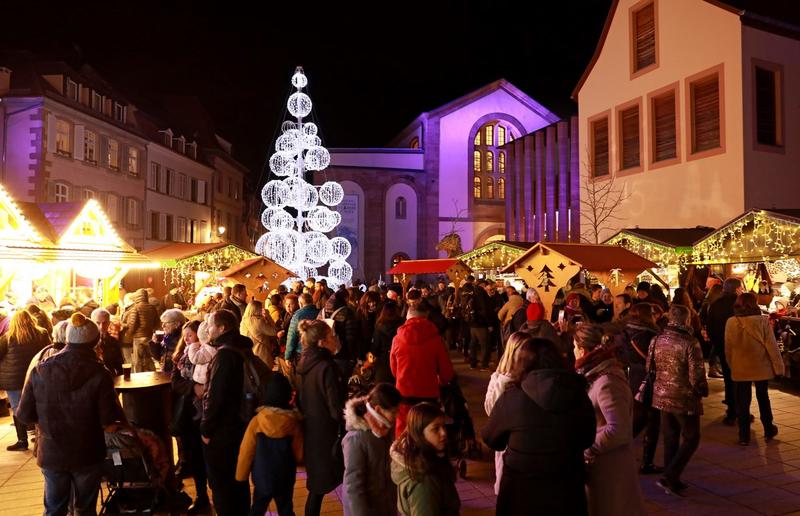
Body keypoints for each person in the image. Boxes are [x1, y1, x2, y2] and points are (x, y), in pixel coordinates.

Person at [17, 313, 122, 514]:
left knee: (54, 509)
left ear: (67, 338)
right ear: (95, 341)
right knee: (85, 509)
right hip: (87, 452)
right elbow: (108, 420)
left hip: (52, 452)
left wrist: (47, 420)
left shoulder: (40, 369)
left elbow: (24, 415)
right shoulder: (100, 373)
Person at [483, 336, 595, 514]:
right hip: (566, 490)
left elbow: (491, 438)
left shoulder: (512, 397)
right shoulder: (577, 393)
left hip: (521, 491)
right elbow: (588, 437)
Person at [574, 324, 646, 515]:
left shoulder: (607, 382)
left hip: (610, 467)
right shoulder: (593, 374)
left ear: (582, 349)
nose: (573, 352)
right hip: (601, 465)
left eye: (574, 346)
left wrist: (586, 447)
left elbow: (618, 429)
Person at [647, 304, 708, 495]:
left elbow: (649, 366)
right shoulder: (690, 342)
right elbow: (696, 374)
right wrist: (702, 389)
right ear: (686, 320)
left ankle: (670, 478)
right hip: (683, 397)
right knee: (692, 437)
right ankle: (670, 475)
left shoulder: (657, 339)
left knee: (670, 437)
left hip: (661, 394)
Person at [201, 309, 254, 515]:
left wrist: (206, 429)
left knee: (222, 485)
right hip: (242, 423)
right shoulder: (242, 348)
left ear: (222, 328)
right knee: (239, 479)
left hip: (224, 429)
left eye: (211, 325)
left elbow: (216, 396)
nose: (208, 329)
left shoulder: (224, 355)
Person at [296, 319, 346, 516]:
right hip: (327, 434)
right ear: (322, 342)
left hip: (311, 430)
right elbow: (336, 408)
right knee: (329, 484)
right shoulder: (327, 367)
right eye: (332, 337)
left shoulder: (304, 363)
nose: (336, 340)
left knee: (316, 486)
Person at [236, 373, 304, 516]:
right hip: (285, 478)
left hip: (262, 478)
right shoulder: (292, 423)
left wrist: (241, 476)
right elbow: (299, 453)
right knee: (286, 509)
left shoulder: (257, 421)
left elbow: (246, 452)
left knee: (257, 509)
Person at [725, 292, 784, 445]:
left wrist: (732, 364)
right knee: (763, 397)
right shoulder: (762, 321)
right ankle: (768, 428)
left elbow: (728, 347)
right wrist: (779, 368)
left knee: (742, 402)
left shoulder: (731, 322)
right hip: (761, 366)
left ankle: (743, 435)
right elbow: (772, 346)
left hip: (741, 367)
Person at [390, 304, 454, 436]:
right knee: (428, 433)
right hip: (429, 394)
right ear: (426, 317)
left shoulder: (397, 339)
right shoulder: (436, 339)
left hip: (405, 393)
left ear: (408, 317)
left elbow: (394, 369)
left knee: (403, 433)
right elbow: (446, 372)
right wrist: (440, 381)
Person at [615, 302, 662, 474]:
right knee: (651, 419)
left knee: (640, 416)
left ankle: (621, 449)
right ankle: (646, 461)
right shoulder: (649, 334)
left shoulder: (627, 330)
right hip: (648, 377)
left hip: (634, 375)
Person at [342, 383, 403, 516]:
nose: (397, 415)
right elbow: (353, 486)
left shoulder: (384, 429)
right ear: (379, 410)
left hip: (385, 504)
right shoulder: (356, 438)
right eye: (393, 412)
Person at [390, 403, 460, 516]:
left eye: (444, 426)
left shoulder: (427, 460)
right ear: (419, 433)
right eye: (436, 429)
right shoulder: (424, 481)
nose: (444, 433)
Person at [171, 320, 211, 514]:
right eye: (184, 335)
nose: (186, 339)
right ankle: (201, 496)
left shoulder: (209, 352)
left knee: (209, 456)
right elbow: (175, 381)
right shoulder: (181, 356)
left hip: (208, 412)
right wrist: (193, 387)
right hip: (189, 413)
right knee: (195, 456)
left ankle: (217, 495)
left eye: (190, 335)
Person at [0, 310, 51, 451]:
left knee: (17, 408)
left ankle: (22, 441)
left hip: (14, 380)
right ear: (31, 319)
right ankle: (40, 436)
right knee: (38, 405)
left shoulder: (8, 337)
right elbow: (48, 351)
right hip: (37, 376)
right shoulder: (42, 334)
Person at [707, 277, 742, 425]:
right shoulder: (741, 304)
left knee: (728, 378)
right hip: (740, 347)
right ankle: (741, 410)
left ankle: (732, 411)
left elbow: (710, 326)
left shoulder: (716, 304)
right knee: (741, 379)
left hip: (722, 345)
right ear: (737, 289)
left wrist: (717, 343)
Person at [460, 283, 494, 371]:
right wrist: (489, 324)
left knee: (473, 343)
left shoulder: (467, 294)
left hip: (471, 322)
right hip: (481, 323)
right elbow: (484, 309)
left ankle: (473, 364)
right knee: (485, 344)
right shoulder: (480, 293)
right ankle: (484, 365)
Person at [124, 288, 159, 372]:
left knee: (138, 360)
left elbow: (132, 324)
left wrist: (128, 334)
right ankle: (153, 375)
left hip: (138, 337)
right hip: (149, 336)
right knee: (149, 359)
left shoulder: (135, 308)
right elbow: (157, 323)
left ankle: (139, 377)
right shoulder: (152, 308)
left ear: (137, 297)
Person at [371, 301, 404, 384]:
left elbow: (376, 347)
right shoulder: (402, 325)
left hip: (383, 362)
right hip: (400, 359)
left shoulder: (379, 326)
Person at [241, 299, 277, 370]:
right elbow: (274, 331)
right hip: (261, 353)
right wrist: (268, 316)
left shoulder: (243, 321)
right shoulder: (258, 322)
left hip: (249, 354)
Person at [285, 293, 320, 364]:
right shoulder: (320, 312)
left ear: (300, 303)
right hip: (318, 350)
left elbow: (291, 336)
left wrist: (287, 356)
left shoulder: (297, 315)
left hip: (302, 351)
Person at [91, 308, 124, 376]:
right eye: (98, 323)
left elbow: (120, 366)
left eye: (104, 323)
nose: (101, 327)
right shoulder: (86, 343)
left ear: (109, 323)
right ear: (92, 323)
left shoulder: (113, 342)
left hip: (110, 379)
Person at [153, 308, 186, 373]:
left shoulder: (182, 339)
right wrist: (156, 343)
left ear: (177, 324)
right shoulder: (167, 338)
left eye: (166, 323)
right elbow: (158, 357)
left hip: (176, 375)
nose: (163, 326)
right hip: (166, 372)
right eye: (162, 323)